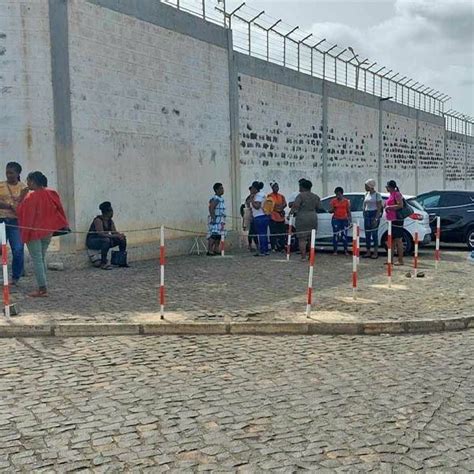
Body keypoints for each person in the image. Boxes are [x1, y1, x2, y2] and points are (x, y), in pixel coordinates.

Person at [16, 171, 69, 297]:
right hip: (48, 231)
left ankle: (42, 288)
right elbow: (59, 209)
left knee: (37, 260)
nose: (27, 183)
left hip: (34, 232)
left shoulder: (30, 198)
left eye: (28, 180)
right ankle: (43, 285)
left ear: (33, 182)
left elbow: (21, 213)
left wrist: (20, 198)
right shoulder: (51, 193)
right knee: (41, 258)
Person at [0, 162, 26, 284]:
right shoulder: (1, 185)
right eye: (7, 172)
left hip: (15, 222)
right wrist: (10, 205)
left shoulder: (23, 188)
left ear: (18, 173)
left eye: (11, 173)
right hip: (1, 221)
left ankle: (16, 276)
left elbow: (25, 205)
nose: (8, 175)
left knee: (18, 249)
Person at [86, 202, 128, 269]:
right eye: (111, 211)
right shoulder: (98, 220)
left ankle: (121, 260)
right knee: (106, 241)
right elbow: (101, 234)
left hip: (104, 239)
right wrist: (115, 236)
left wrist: (120, 235)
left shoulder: (110, 221)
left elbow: (114, 232)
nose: (112, 213)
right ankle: (103, 263)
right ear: (107, 212)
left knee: (122, 239)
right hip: (93, 241)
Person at [290, 179, 321, 260]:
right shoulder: (315, 196)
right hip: (313, 217)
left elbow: (295, 206)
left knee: (302, 239)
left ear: (302, 187)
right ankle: (311, 256)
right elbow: (319, 207)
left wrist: (290, 214)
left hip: (302, 217)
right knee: (311, 238)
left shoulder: (300, 196)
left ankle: (303, 256)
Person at [385, 180, 405, 266]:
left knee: (398, 240)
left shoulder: (397, 194)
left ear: (391, 187)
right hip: (391, 220)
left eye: (387, 187)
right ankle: (391, 260)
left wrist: (389, 207)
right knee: (391, 241)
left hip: (397, 219)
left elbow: (400, 205)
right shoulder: (391, 195)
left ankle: (400, 260)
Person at [363, 179, 383, 259]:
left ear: (370, 186)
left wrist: (376, 218)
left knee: (374, 234)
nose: (365, 187)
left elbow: (379, 207)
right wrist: (364, 212)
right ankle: (368, 251)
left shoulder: (377, 195)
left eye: (366, 186)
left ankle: (375, 252)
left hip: (374, 214)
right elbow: (364, 204)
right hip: (367, 214)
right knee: (367, 234)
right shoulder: (366, 194)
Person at [249, 181, 270, 256]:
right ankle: (266, 250)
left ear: (255, 188)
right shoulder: (264, 194)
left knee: (261, 234)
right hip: (265, 216)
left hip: (259, 216)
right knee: (264, 233)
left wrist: (251, 200)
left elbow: (257, 206)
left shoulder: (258, 196)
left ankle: (262, 250)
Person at [329, 187, 351, 256]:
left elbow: (348, 211)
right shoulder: (333, 201)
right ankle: (335, 250)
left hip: (344, 219)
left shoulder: (346, 201)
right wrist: (333, 209)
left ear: (342, 194)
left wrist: (350, 220)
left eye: (339, 194)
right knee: (336, 235)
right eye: (336, 194)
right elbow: (330, 210)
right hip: (336, 219)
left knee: (344, 235)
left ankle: (345, 250)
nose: (337, 196)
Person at [206, 183, 226, 256]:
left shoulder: (221, 199)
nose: (222, 190)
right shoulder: (215, 199)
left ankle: (216, 249)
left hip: (221, 220)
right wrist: (213, 218)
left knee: (219, 236)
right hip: (216, 220)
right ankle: (209, 250)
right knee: (213, 235)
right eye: (221, 188)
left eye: (222, 188)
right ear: (216, 190)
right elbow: (211, 208)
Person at [267, 182, 287, 252]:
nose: (276, 188)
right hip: (273, 217)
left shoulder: (281, 196)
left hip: (281, 217)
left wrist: (281, 208)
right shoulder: (270, 196)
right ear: (272, 188)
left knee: (282, 233)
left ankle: (282, 247)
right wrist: (277, 209)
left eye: (277, 187)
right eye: (275, 187)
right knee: (273, 233)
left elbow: (285, 204)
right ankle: (273, 247)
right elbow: (269, 206)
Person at [244, 187, 258, 251]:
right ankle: (251, 246)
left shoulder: (256, 196)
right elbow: (248, 205)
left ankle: (255, 245)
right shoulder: (250, 197)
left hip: (254, 215)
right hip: (251, 216)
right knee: (252, 232)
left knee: (254, 232)